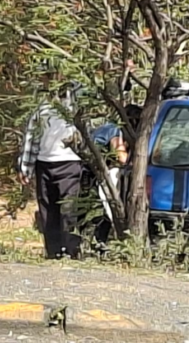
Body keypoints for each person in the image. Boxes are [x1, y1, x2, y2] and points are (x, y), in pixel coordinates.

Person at [18, 82, 84, 260]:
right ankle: (53, 250)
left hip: (70, 163)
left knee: (69, 209)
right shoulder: (42, 108)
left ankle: (71, 250)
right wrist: (26, 167)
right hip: (44, 163)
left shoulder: (76, 108)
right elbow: (31, 137)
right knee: (48, 209)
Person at [90, 104, 142, 245]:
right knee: (108, 206)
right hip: (95, 171)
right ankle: (102, 241)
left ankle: (100, 241)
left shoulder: (109, 127)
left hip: (92, 168)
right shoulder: (115, 130)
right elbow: (121, 157)